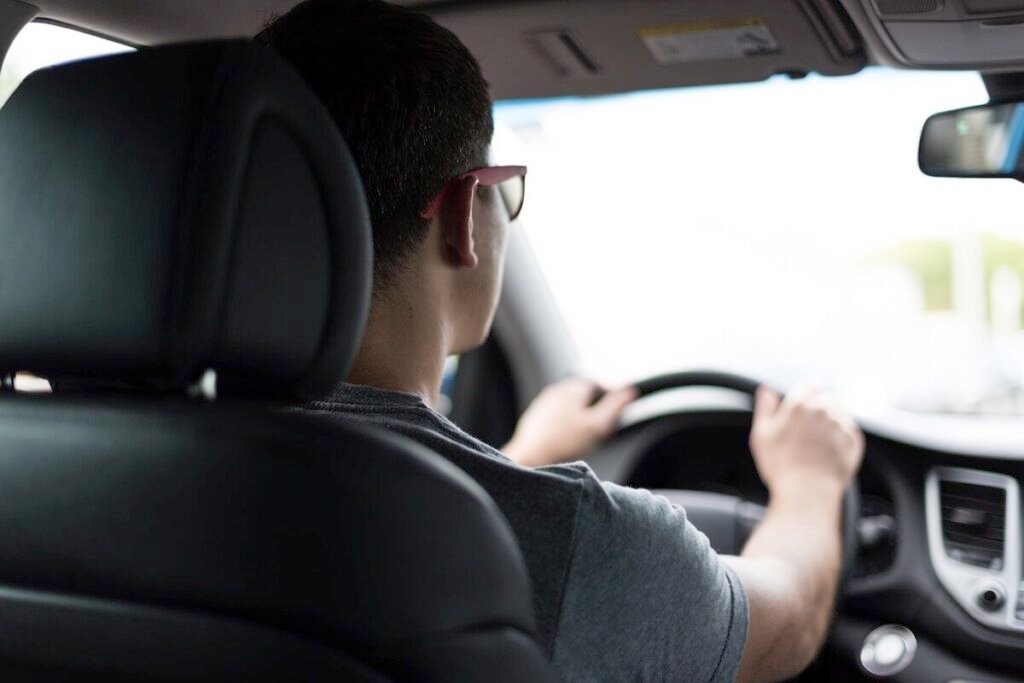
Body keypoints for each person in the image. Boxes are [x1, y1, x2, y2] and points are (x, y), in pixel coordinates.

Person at [259, 2, 865, 680]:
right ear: (463, 213)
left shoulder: (148, 467)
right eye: (502, 190)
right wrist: (811, 480)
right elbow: (790, 622)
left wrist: (523, 456)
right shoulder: (579, 540)